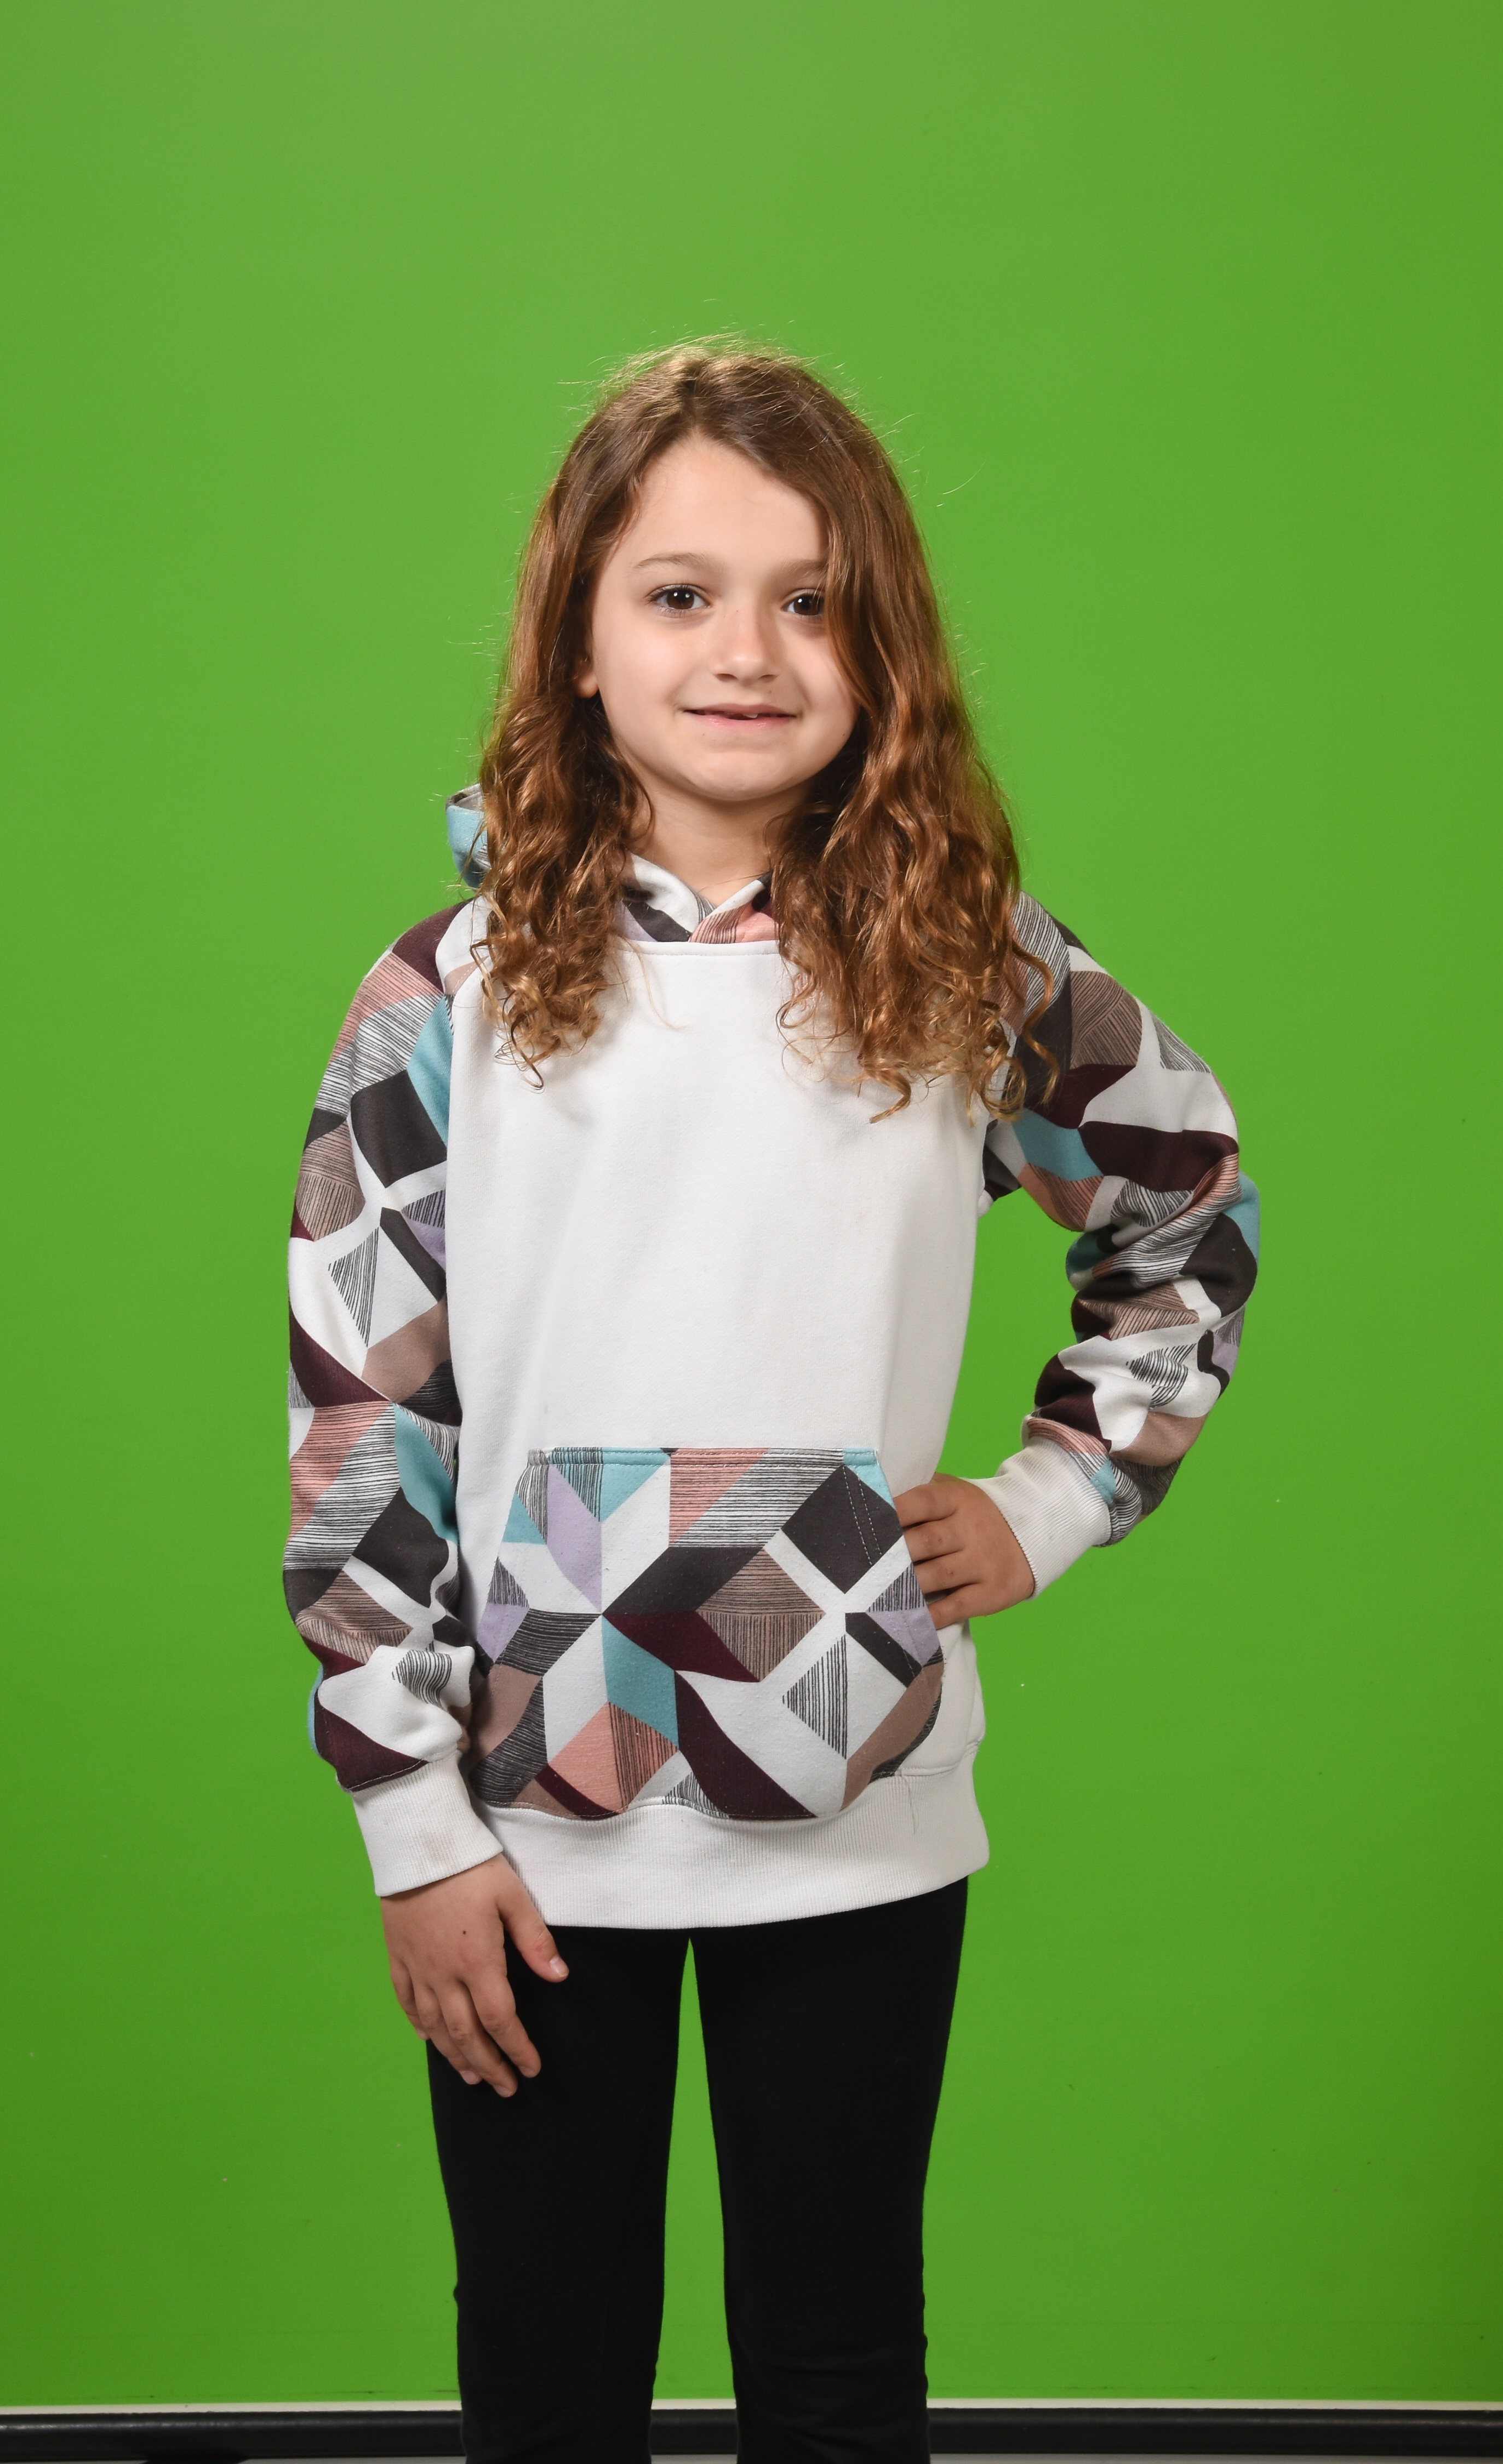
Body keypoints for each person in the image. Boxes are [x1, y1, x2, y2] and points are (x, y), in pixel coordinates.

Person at [282, 345, 1258, 2464]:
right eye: (682, 594)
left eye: (812, 601)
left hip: (861, 1791)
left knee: (835, 2362)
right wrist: (409, 1824)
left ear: (881, 649)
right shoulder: (439, 998)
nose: (749, 650)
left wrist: (1057, 1495)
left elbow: (1184, 1208)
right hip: (528, 1819)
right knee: (548, 2372)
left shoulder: (973, 968)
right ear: (579, 636)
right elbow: (366, 1427)